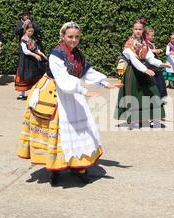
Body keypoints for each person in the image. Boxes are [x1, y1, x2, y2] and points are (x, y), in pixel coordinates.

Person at [17, 21, 119, 186]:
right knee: (58, 132)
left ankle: (77, 165)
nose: (74, 40)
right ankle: (55, 169)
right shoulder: (55, 54)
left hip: (72, 92)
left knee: (80, 129)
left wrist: (106, 83)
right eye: (70, 36)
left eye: (77, 37)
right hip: (54, 92)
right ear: (63, 36)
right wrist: (84, 91)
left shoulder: (77, 53)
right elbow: (63, 79)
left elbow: (86, 71)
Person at [114, 18, 170, 129]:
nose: (138, 31)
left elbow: (150, 57)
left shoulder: (144, 43)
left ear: (142, 30)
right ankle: (133, 119)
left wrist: (160, 64)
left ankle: (151, 118)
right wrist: (145, 70)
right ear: (133, 30)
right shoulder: (129, 44)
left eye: (140, 29)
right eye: (136, 29)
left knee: (152, 92)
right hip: (133, 72)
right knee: (133, 95)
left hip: (145, 70)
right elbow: (134, 60)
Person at [14, 23, 47, 100]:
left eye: (32, 31)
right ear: (26, 30)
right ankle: (22, 94)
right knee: (23, 76)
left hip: (31, 61)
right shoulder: (23, 39)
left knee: (33, 76)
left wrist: (41, 54)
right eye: (29, 31)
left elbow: (35, 48)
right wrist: (35, 55)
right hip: (25, 60)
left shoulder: (32, 39)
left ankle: (33, 93)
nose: (30, 33)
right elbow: (25, 51)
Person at [145, 27, 168, 103]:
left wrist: (157, 50)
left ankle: (162, 96)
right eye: (152, 36)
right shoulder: (144, 43)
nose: (153, 37)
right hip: (149, 66)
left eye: (153, 35)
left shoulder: (151, 43)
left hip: (155, 66)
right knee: (153, 83)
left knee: (160, 81)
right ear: (146, 35)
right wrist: (154, 50)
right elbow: (144, 50)